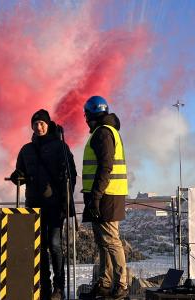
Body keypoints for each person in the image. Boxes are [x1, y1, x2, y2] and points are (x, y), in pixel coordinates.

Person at [9, 109, 77, 300]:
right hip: (34, 205)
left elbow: (72, 174)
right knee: (39, 246)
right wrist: (17, 177)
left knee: (54, 245)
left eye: (42, 124)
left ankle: (59, 288)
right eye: (35, 124)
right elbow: (20, 174)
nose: (39, 127)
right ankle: (44, 287)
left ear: (48, 125)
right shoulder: (26, 150)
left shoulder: (61, 147)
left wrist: (66, 199)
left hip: (55, 204)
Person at [79, 96, 129, 299]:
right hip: (106, 194)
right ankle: (105, 282)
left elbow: (105, 167)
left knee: (110, 240)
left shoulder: (102, 134)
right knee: (103, 242)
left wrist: (96, 197)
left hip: (106, 195)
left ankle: (121, 284)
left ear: (90, 114)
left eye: (86, 115)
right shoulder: (108, 131)